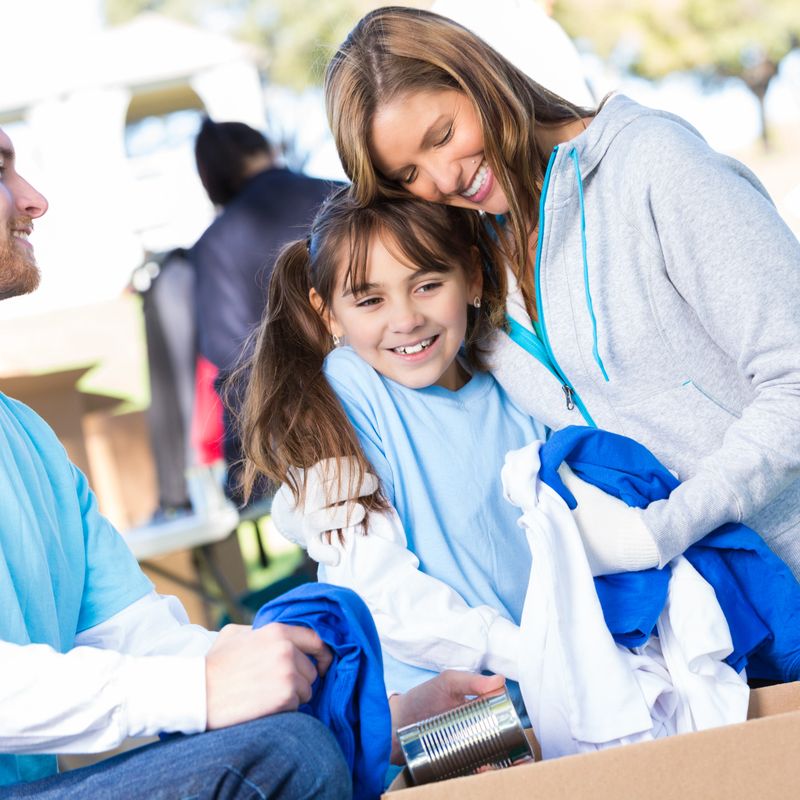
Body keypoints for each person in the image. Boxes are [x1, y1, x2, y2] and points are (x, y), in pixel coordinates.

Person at [0, 126, 497, 796]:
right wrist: (199, 688)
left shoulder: (25, 437)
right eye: (0, 171)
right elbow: (181, 683)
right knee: (282, 753)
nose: (34, 200)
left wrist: (384, 716)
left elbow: (139, 640)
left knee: (303, 736)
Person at [304, 5, 800, 581]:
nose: (442, 181)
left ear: (478, 75)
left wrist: (662, 530)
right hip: (706, 622)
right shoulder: (470, 254)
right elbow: (422, 382)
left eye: (442, 136)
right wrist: (319, 469)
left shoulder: (654, 167)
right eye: (408, 175)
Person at [238, 187, 662, 718]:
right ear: (330, 316)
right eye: (370, 300)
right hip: (442, 703)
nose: (406, 319)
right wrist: (536, 655)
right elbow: (383, 593)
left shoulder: (514, 378)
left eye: (428, 284)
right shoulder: (351, 387)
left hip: (569, 685)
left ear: (474, 280)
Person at [190, 118, 335, 504]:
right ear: (266, 150)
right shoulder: (338, 196)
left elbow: (231, 357)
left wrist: (246, 466)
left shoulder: (212, 247)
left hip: (294, 435)